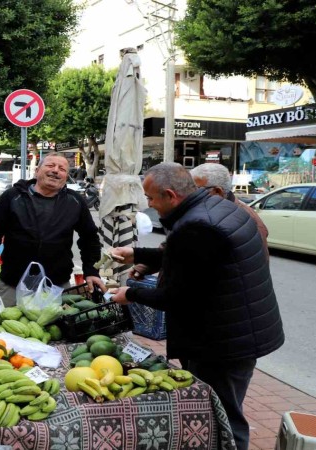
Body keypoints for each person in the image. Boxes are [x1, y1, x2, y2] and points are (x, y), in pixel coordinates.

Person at [108, 162, 284, 450]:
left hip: (223, 341)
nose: (150, 205)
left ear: (170, 195)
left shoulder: (196, 225)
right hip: (239, 331)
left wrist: (130, 294)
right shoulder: (217, 207)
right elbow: (194, 259)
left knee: (223, 415)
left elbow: (174, 296)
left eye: (151, 199)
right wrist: (136, 253)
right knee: (225, 408)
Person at [0, 152, 105, 304]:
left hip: (56, 286)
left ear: (66, 176)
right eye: (50, 165)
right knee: (6, 324)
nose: (55, 170)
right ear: (37, 171)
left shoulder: (74, 201)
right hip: (12, 284)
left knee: (57, 326)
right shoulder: (13, 196)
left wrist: (91, 271)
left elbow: (90, 238)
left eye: (62, 169)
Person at [190, 163, 269, 256]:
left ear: (217, 192)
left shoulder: (241, 218)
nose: (190, 194)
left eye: (195, 189)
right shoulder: (221, 211)